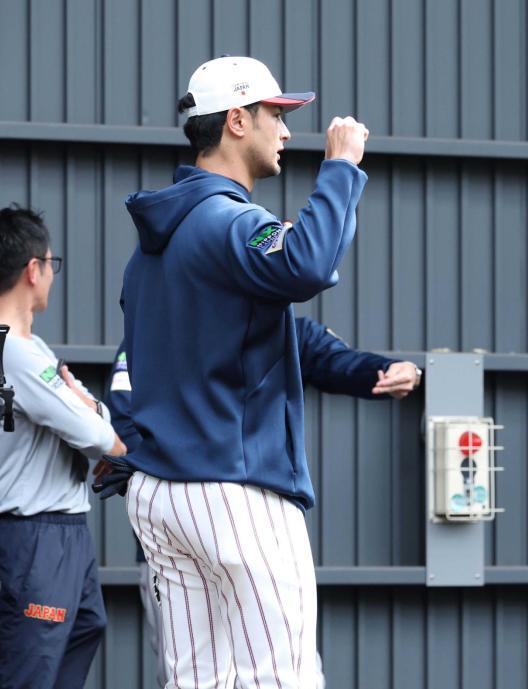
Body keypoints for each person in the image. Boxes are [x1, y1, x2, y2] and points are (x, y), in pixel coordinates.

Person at [118, 56, 369, 688]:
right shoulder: (227, 220)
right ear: (236, 120)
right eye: (276, 115)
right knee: (280, 678)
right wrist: (341, 168)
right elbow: (308, 265)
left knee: (196, 682)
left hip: (158, 491)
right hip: (234, 488)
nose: (286, 131)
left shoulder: (151, 249)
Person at [103, 321, 420, 687]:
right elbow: (124, 421)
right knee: (193, 678)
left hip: (254, 527)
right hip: (179, 536)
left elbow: (337, 360)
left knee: (287, 671)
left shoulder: (275, 322)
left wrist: (398, 370)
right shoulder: (155, 330)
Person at [0, 206, 127, 689]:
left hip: (58, 532)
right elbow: (100, 437)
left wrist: (89, 409)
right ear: (32, 270)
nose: (50, 274)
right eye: (51, 263)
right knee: (32, 663)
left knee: (83, 629)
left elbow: (90, 416)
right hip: (33, 537)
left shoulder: (28, 349)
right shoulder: (13, 353)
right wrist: (92, 412)